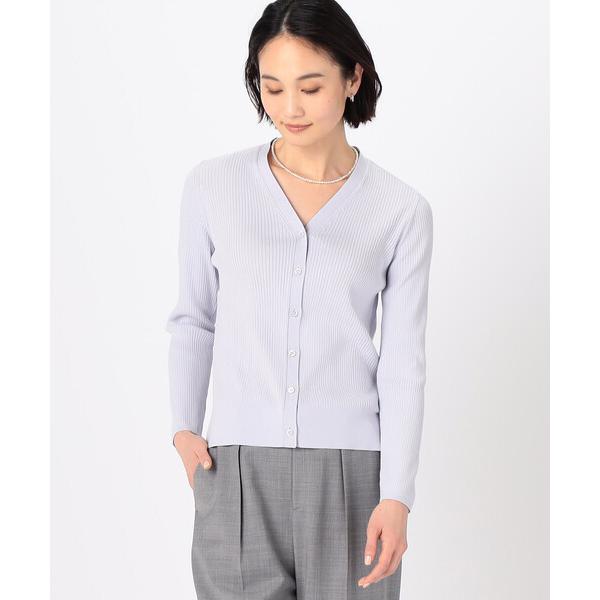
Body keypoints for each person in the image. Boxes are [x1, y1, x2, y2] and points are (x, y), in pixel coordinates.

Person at [165, 1, 433, 598]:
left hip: (353, 473)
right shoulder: (213, 186)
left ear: (353, 77)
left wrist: (397, 494)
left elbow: (403, 363)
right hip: (233, 467)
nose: (289, 108)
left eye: (310, 88)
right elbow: (194, 319)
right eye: (272, 87)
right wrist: (184, 427)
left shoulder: (401, 210)